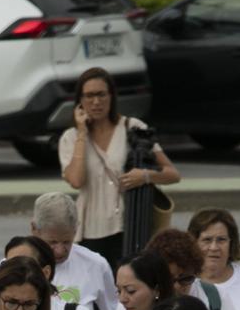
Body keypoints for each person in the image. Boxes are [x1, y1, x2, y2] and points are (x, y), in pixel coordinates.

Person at [58, 67, 177, 273]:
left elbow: (173, 174)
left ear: (112, 96)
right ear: (80, 101)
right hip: (90, 230)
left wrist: (146, 176)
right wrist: (82, 133)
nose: (96, 102)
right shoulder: (71, 137)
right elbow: (76, 180)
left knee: (130, 291)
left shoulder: (133, 127)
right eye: (89, 96)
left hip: (130, 225)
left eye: (101, 94)